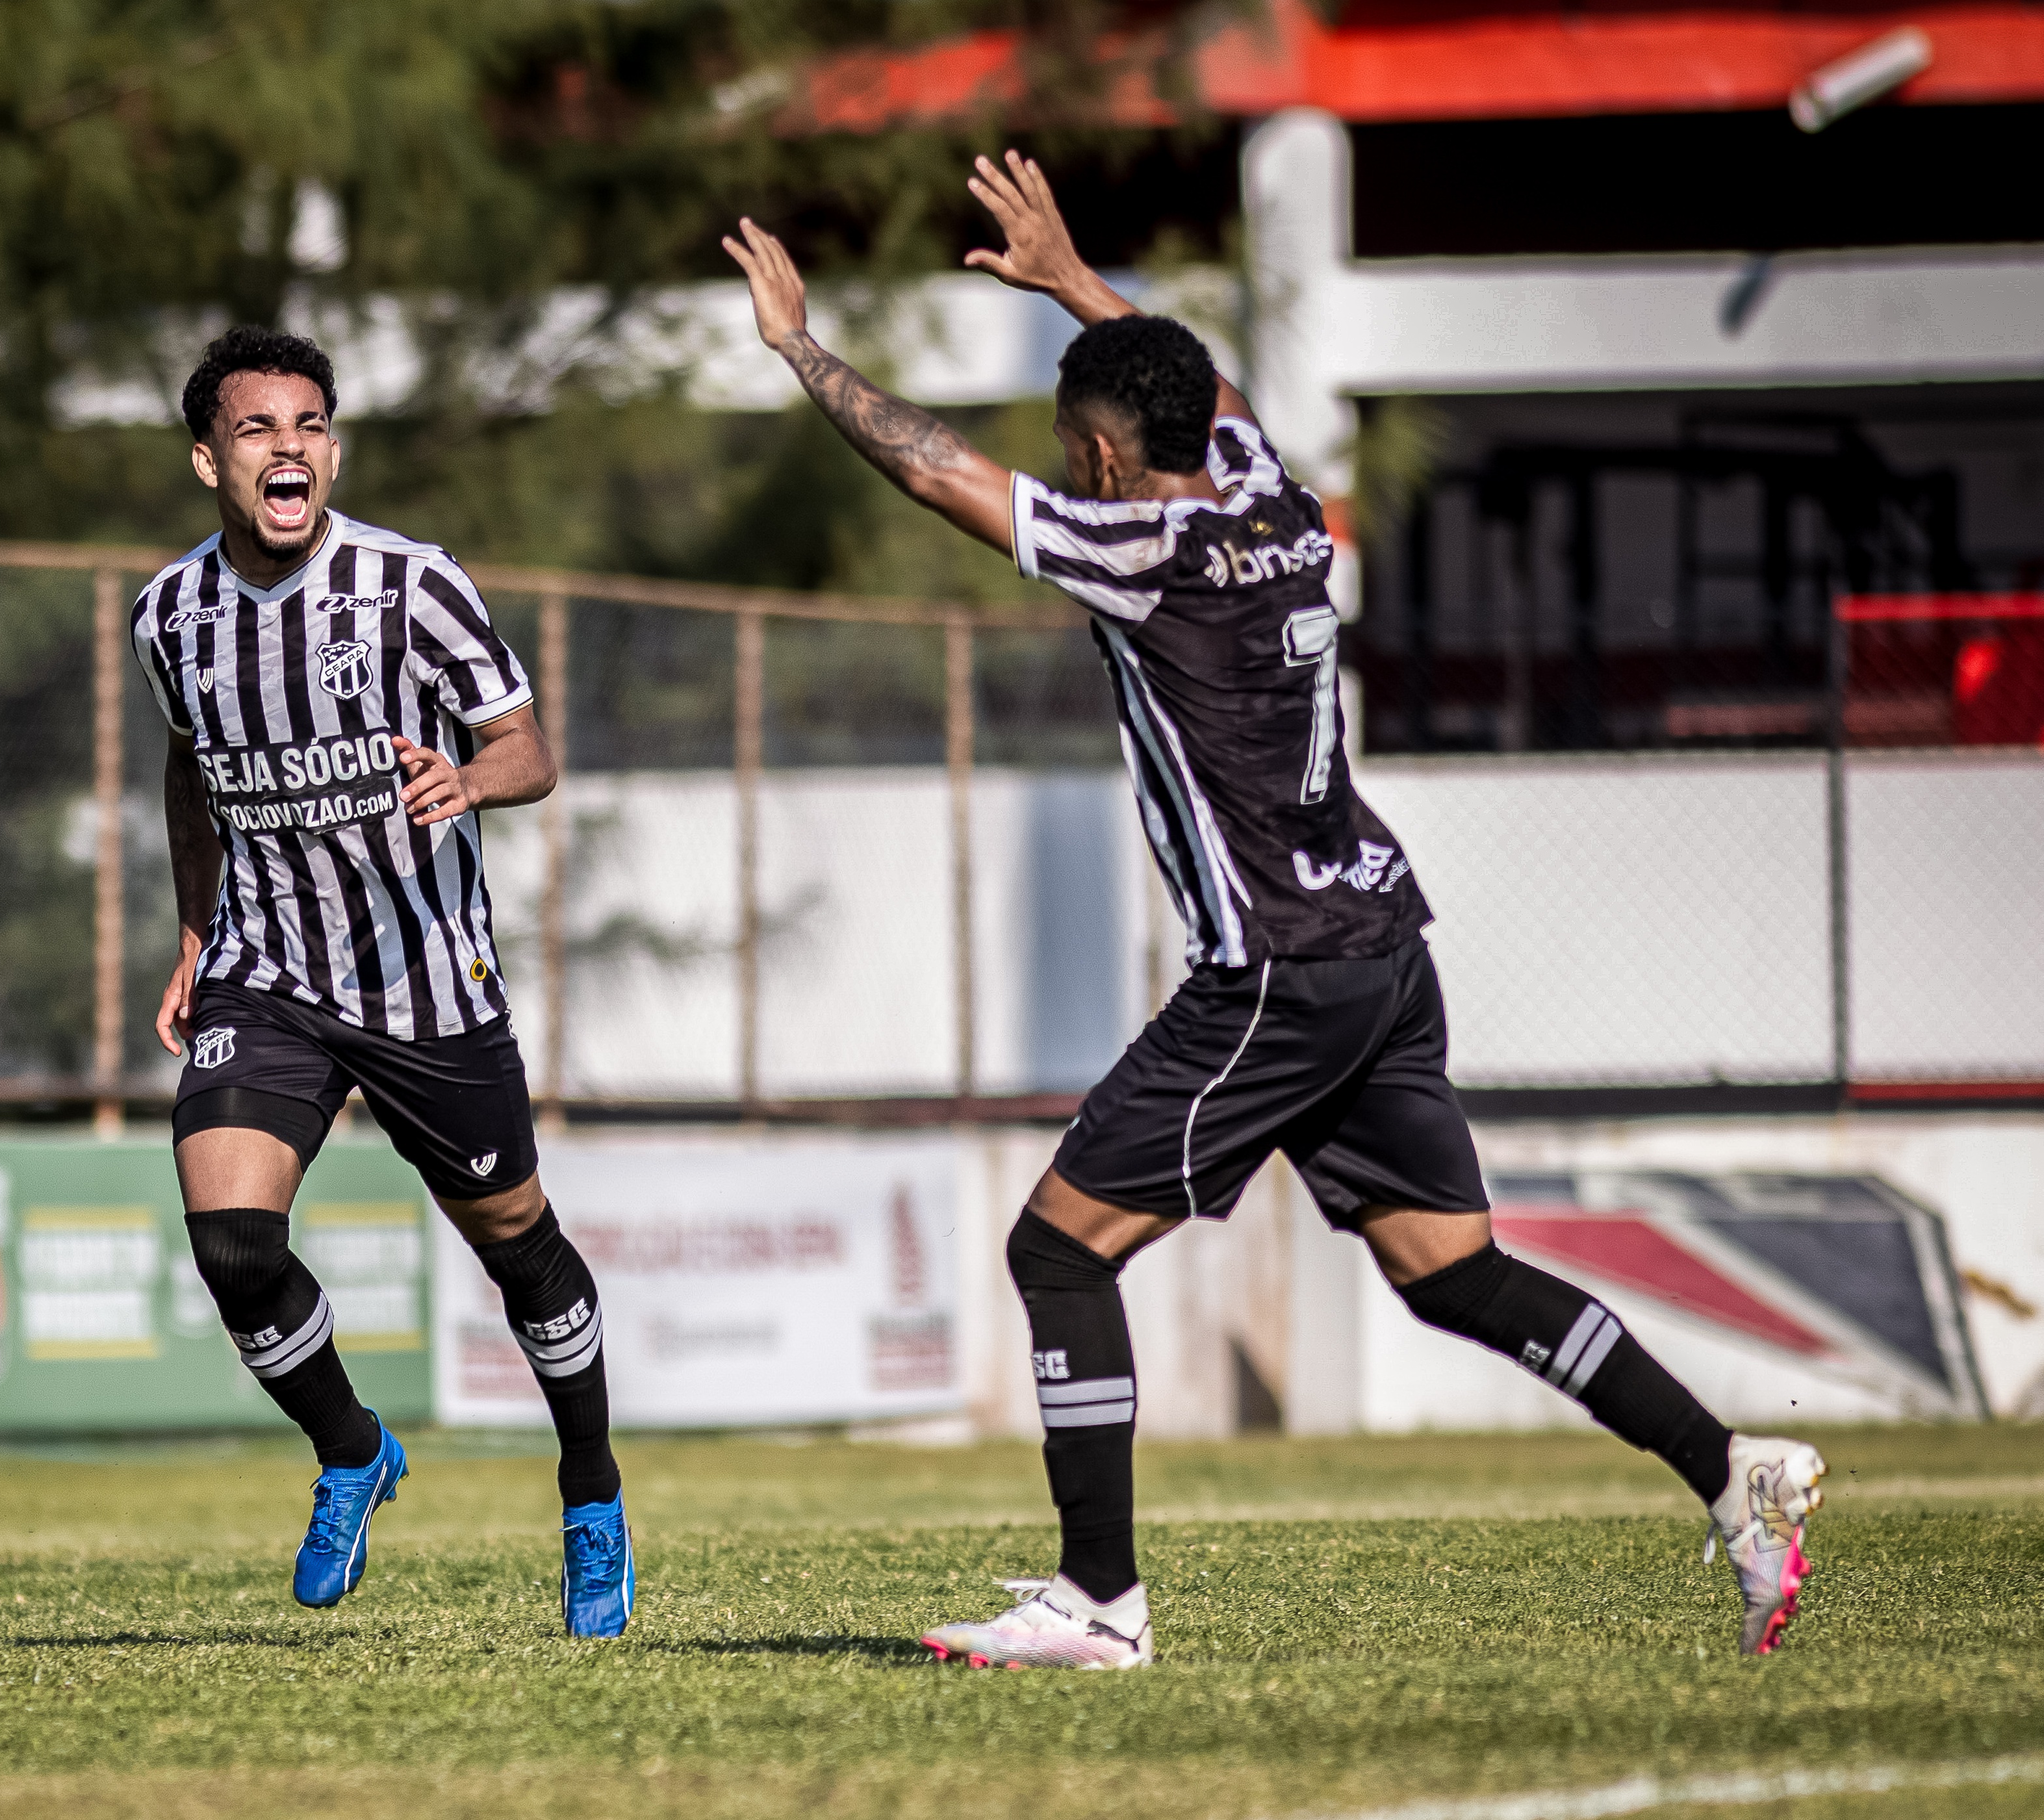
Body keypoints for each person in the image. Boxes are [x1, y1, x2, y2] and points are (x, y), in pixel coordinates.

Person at [722, 156, 1824, 1668]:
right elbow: (1210, 389)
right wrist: (1075, 285)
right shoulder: (1273, 494)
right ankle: (1728, 1469)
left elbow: (931, 469)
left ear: (1108, 459)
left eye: (1073, 445)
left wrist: (798, 348)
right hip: (1379, 940)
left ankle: (1097, 1605)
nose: (1067, 467)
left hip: (1276, 978)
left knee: (1057, 1253)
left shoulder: (1140, 551)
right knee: (1452, 1273)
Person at [135, 324, 632, 1637]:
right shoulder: (169, 614)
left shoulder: (412, 587)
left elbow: (528, 747)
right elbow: (189, 768)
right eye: (256, 428)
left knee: (518, 1246)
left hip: (423, 977)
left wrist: (467, 780)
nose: (287, 445)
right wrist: (197, 929)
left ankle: (591, 1495)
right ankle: (352, 1448)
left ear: (333, 448)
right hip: (268, 971)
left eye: (308, 424)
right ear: (208, 461)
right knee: (232, 1240)